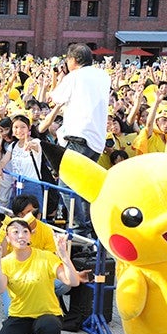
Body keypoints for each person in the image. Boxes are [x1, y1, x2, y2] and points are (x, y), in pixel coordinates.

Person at [0, 219, 81, 334]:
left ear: (30, 236)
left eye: (25, 231)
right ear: (8, 238)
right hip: (20, 316)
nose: (21, 236)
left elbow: (72, 281)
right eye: (15, 232)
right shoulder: (5, 262)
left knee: (49, 326)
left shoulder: (45, 257)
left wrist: (64, 255)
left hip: (47, 314)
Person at [48, 43, 110, 232]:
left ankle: (79, 226)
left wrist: (58, 78)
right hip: (97, 142)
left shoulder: (75, 76)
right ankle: (92, 227)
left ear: (73, 60)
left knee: (66, 184)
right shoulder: (103, 75)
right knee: (84, 188)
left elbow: (55, 98)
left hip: (78, 138)